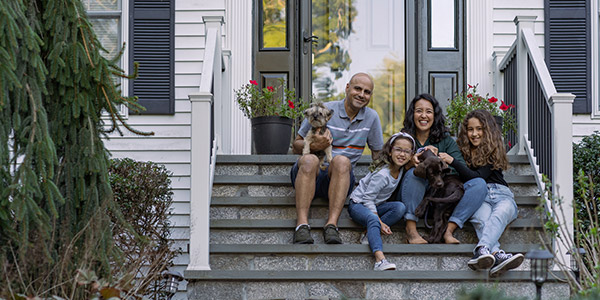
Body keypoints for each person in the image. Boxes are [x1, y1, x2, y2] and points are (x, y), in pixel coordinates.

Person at [290, 73, 384, 244]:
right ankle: (302, 226)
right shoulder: (324, 110)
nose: (362, 94)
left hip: (340, 179)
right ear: (347, 88)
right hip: (310, 172)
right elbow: (295, 145)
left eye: (367, 92)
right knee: (310, 160)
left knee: (341, 161)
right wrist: (316, 146)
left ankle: (332, 226)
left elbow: (378, 156)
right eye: (357, 88)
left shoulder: (371, 117)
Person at [439, 109, 524, 277]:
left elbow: (478, 177)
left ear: (487, 130)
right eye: (470, 129)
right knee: (481, 220)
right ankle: (496, 254)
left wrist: (453, 161)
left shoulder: (493, 148)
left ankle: (480, 249)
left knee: (499, 214)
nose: (474, 134)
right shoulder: (463, 150)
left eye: (479, 129)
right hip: (481, 198)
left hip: (502, 195)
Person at [397, 93, 487, 244]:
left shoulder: (446, 140)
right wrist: (409, 163)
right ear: (412, 114)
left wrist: (438, 161)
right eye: (419, 111)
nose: (423, 116)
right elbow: (390, 170)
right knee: (414, 173)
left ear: (435, 115)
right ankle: (411, 230)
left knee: (479, 184)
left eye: (429, 111)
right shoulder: (403, 139)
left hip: (441, 198)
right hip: (411, 200)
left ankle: (448, 230)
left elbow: (461, 170)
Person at [347, 132, 415, 270]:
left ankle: (368, 235)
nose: (402, 154)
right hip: (358, 204)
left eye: (406, 151)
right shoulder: (383, 175)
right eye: (398, 150)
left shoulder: (400, 168)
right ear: (390, 151)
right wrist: (380, 222)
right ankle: (379, 260)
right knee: (373, 218)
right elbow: (367, 199)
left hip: (375, 205)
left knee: (399, 208)